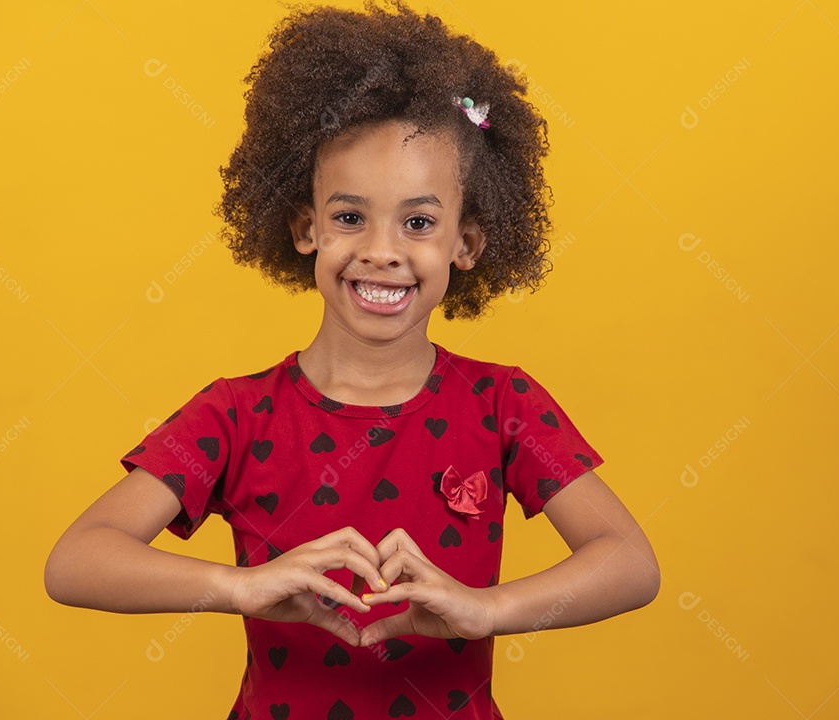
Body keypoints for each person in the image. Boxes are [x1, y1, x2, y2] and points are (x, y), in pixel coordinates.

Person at [44, 3, 660, 717]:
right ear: (306, 228)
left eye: (420, 223)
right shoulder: (237, 414)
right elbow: (76, 561)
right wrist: (238, 586)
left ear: (467, 244)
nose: (381, 250)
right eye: (348, 217)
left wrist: (486, 608)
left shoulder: (503, 405)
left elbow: (630, 563)